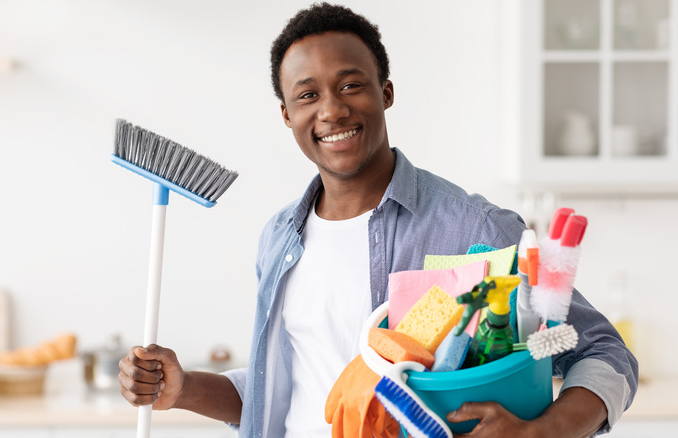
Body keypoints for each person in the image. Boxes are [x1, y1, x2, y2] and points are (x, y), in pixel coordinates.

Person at [119, 3, 638, 437]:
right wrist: (183, 389)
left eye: (350, 86)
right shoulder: (279, 238)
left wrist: (541, 431)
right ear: (286, 116)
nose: (332, 111)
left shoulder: (476, 229)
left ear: (385, 92)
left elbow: (605, 353)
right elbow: (282, 389)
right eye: (307, 95)